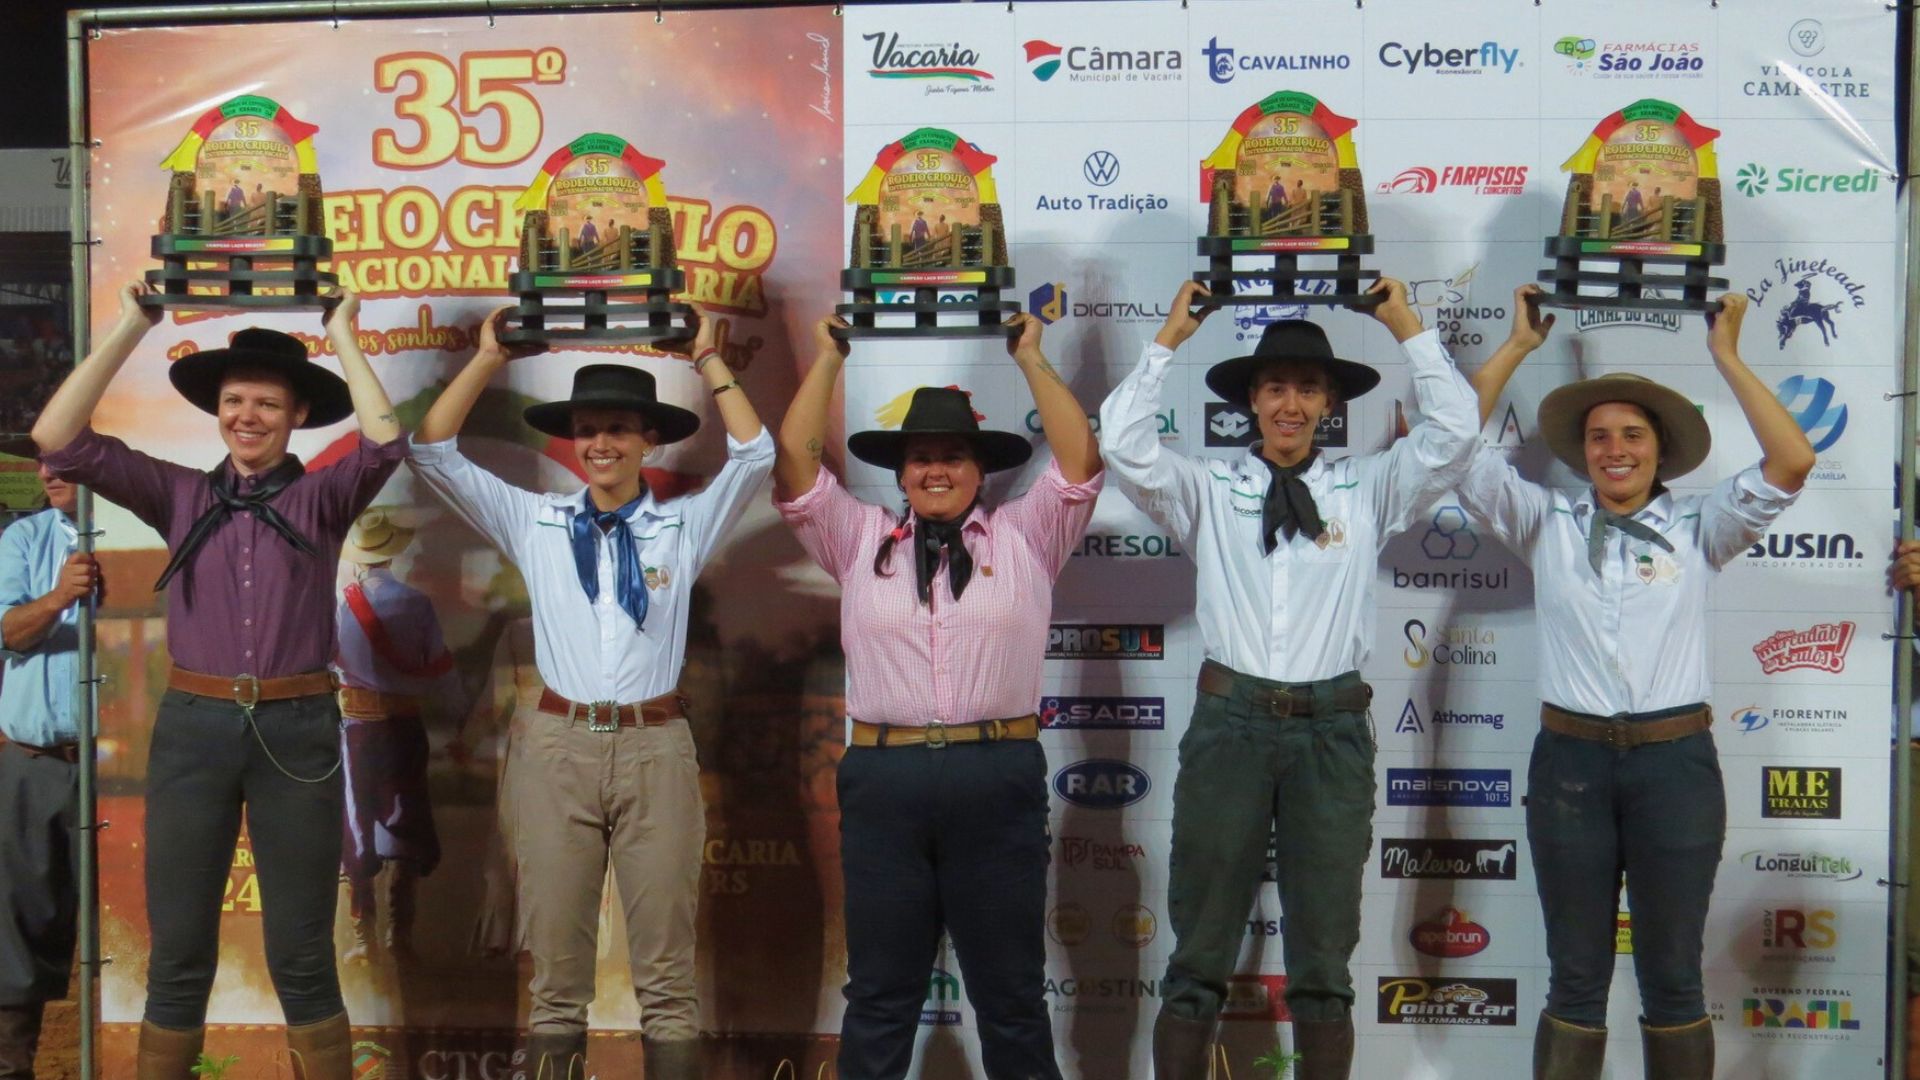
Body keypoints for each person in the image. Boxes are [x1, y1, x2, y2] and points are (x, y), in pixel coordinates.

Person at [1099, 278, 1476, 1080]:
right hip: (1230, 725)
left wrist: (1405, 324)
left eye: (1309, 388)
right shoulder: (1206, 487)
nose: (1291, 404)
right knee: (1199, 950)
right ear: (1252, 402)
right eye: (1276, 388)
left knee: (1323, 960)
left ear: (1331, 402)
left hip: (1331, 735)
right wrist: (1168, 337)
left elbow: (1453, 432)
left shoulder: (1368, 487)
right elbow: (1123, 442)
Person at [33, 284, 404, 1080]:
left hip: (298, 731)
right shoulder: (180, 494)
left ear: (297, 414)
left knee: (301, 952)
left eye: (268, 403)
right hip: (193, 731)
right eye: (235, 400)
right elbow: (56, 437)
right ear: (218, 410)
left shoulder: (322, 497)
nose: (247, 415)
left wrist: (340, 332)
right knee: (180, 950)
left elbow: (384, 444)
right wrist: (133, 320)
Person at [1457, 286, 1813, 1080]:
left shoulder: (1701, 526)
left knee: (1673, 980)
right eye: (1597, 437)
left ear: (1660, 448)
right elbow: (1449, 445)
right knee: (1577, 980)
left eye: (1631, 434)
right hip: (1570, 770)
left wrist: (1725, 355)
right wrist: (1516, 346)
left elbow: (1792, 460)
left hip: (1675, 769)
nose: (1614, 449)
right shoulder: (1542, 520)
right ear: (1581, 451)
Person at [407, 307, 770, 1080]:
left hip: (656, 747)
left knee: (668, 984)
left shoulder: (680, 528)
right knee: (557, 989)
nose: (601, 443)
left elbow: (756, 455)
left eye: (618, 428)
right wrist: (485, 359)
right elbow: (432, 451)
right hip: (556, 746)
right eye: (588, 430)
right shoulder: (538, 520)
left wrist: (708, 358)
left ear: (649, 439)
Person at [774, 312, 1101, 1080]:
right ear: (901, 472)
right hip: (884, 782)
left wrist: (1029, 356)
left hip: (997, 773)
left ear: (979, 468)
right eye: (921, 457)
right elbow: (792, 460)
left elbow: (1080, 459)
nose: (936, 470)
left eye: (952, 455)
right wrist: (826, 357)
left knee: (1011, 996)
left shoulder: (1026, 537)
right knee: (881, 994)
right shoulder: (856, 541)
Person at [0, 448, 97, 1079]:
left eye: (63, 463)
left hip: (129, 770)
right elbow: (7, 629)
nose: (47, 474)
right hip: (36, 763)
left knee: (145, 916)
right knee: (18, 921)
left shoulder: (146, 536)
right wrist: (62, 594)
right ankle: (13, 1068)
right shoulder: (24, 537)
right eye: (43, 463)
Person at [333, 508, 460, 965]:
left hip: (355, 730)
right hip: (405, 726)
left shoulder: (343, 605)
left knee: (356, 827)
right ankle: (398, 939)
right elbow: (439, 667)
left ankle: (363, 940)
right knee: (404, 827)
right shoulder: (416, 604)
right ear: (392, 554)